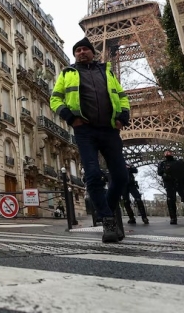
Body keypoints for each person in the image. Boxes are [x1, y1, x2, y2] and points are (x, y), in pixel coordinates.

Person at [50, 37, 130, 243]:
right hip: (85, 131)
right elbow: (55, 99)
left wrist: (123, 117)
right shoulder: (67, 73)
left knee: (121, 176)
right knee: (93, 174)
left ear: (93, 52)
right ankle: (108, 221)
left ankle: (107, 212)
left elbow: (122, 96)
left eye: (85, 49)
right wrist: (70, 118)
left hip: (109, 129)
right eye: (78, 50)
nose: (81, 52)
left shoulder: (107, 71)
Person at [157, 150, 184, 225]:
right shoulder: (162, 163)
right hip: (169, 183)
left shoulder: (179, 162)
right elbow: (159, 172)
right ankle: (173, 218)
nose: (167, 153)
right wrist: (165, 172)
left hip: (179, 182)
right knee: (170, 200)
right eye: (165, 152)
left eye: (168, 152)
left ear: (172, 153)